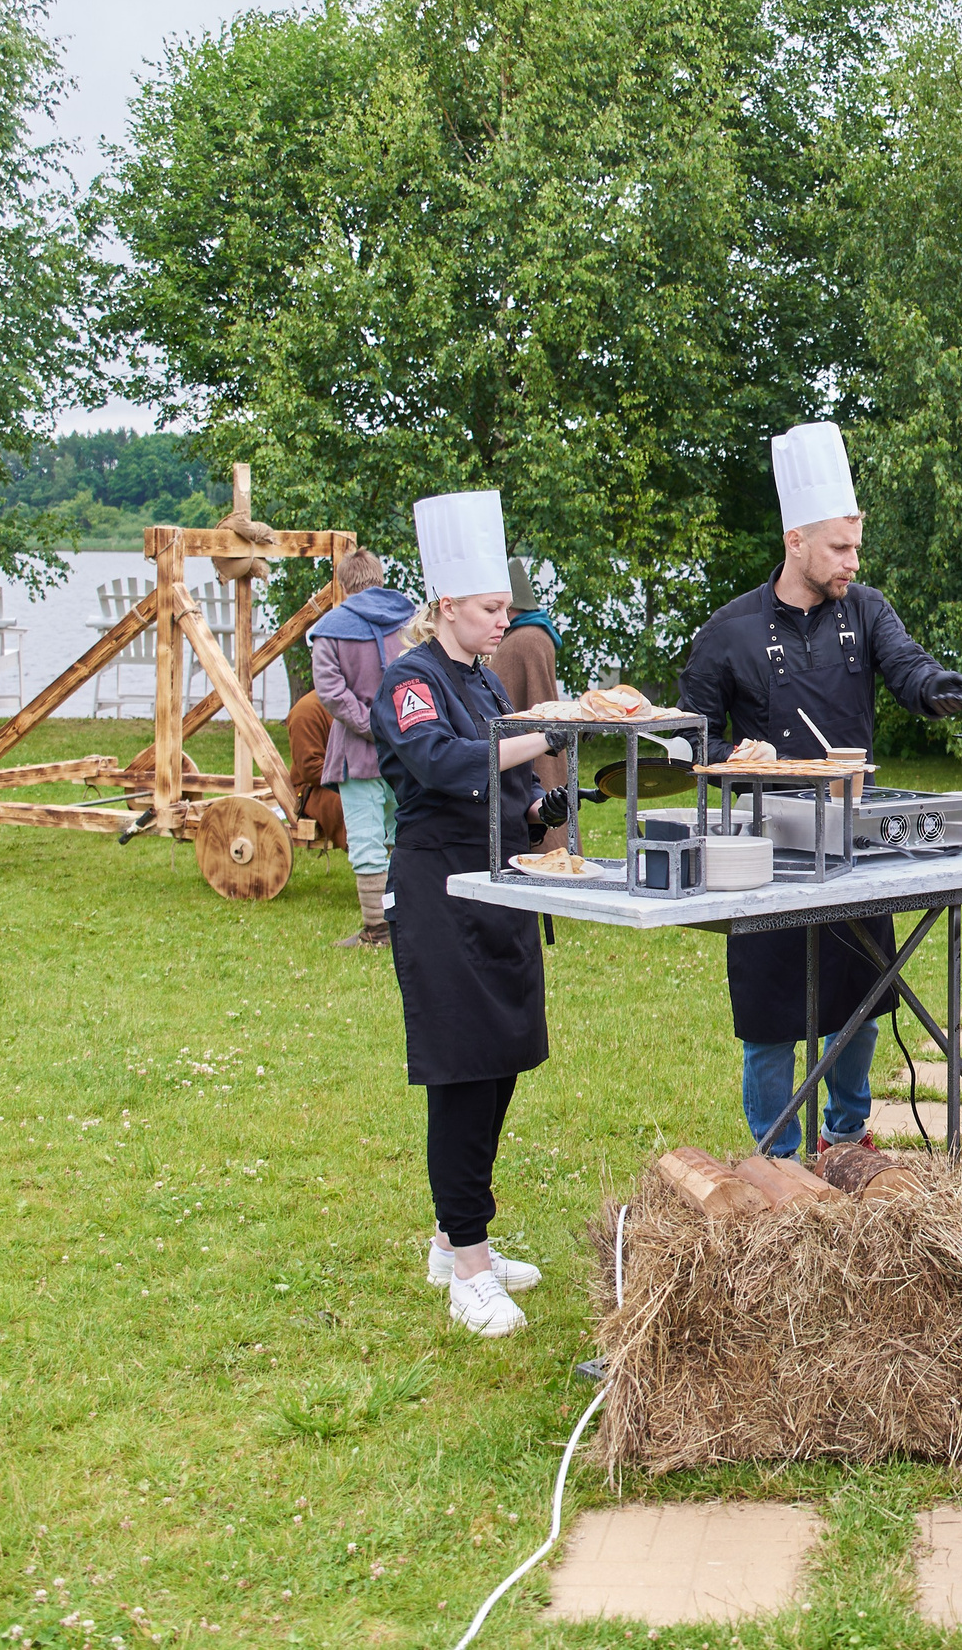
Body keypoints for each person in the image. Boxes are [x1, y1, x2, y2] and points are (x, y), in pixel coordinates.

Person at [678, 422, 962, 1157]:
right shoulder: (728, 633)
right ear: (797, 541)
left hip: (851, 844)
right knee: (771, 1015)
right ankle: (777, 1152)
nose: (853, 560)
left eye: (856, 546)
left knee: (862, 1001)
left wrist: (937, 687)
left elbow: (906, 667)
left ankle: (847, 1136)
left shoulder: (865, 612)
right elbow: (684, 734)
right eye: (840, 548)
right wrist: (727, 753)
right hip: (765, 851)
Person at [375, 490, 584, 1339]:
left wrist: (543, 811)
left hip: (497, 889)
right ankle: (467, 1268)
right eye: (493, 608)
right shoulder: (410, 680)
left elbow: (498, 790)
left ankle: (456, 1237)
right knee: (461, 1073)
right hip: (439, 894)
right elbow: (442, 765)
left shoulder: (483, 677)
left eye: (505, 607)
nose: (506, 620)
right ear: (448, 606)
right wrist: (547, 731)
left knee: (499, 1064)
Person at [310, 550, 415, 947]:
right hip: (407, 749)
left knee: (368, 840)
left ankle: (379, 929)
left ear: (343, 584)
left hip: (357, 753)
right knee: (404, 832)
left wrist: (371, 724)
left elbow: (331, 693)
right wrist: (395, 724)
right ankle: (411, 917)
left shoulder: (330, 629)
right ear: (379, 576)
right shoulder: (412, 621)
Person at [487, 557, 566, 851]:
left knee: (545, 840)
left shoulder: (524, 640)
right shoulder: (534, 634)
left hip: (532, 755)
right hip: (538, 746)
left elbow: (501, 707)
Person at [286, 686, 348, 851]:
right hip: (317, 788)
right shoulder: (305, 711)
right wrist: (355, 776)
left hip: (354, 777)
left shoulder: (355, 702)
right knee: (358, 805)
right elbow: (310, 769)